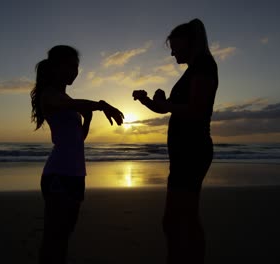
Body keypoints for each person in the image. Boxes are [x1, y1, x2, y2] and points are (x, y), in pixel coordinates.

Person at [133, 18, 218, 264]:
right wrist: (148, 101)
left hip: (193, 151)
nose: (172, 52)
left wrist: (165, 104)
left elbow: (196, 110)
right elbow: (172, 109)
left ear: (190, 43)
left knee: (179, 221)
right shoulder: (194, 70)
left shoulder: (203, 67)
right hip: (185, 152)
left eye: (175, 47)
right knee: (178, 220)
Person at [31, 45, 124, 264]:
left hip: (75, 174)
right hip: (58, 175)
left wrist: (88, 118)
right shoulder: (50, 96)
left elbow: (77, 139)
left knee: (64, 237)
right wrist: (101, 105)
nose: (75, 71)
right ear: (55, 67)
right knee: (54, 238)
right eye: (70, 65)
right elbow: (72, 104)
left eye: (77, 67)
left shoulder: (65, 97)